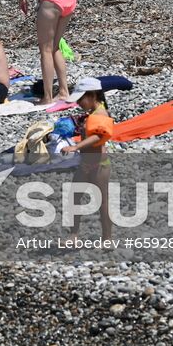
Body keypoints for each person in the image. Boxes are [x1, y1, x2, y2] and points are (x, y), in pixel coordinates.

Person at [64, 77, 115, 240]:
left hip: (99, 165)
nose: (78, 103)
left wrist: (76, 146)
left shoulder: (101, 113)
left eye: (81, 99)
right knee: (74, 197)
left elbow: (98, 136)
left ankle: (107, 239)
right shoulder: (93, 113)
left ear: (92, 95)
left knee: (102, 203)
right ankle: (74, 235)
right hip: (86, 164)